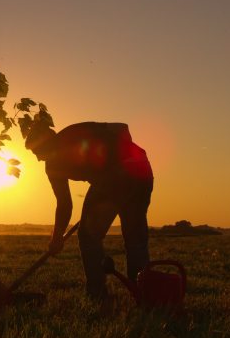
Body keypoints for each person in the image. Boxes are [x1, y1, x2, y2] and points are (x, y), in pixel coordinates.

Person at [25, 121, 153, 299]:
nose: (38, 158)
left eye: (37, 152)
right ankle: (143, 294)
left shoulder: (65, 145)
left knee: (88, 235)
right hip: (142, 169)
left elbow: (64, 203)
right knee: (135, 239)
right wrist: (57, 236)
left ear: (48, 142)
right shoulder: (71, 137)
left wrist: (119, 165)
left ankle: (97, 293)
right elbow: (65, 204)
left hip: (121, 174)